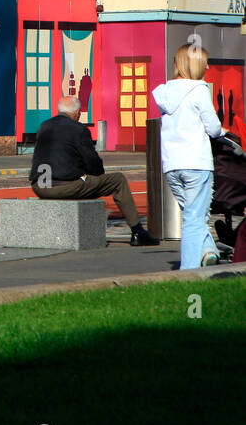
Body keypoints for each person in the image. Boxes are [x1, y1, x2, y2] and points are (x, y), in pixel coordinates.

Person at [29, 95, 159, 246]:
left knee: (83, 180)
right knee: (118, 180)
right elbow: (92, 161)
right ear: (77, 113)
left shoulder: (44, 126)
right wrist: (96, 176)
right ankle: (138, 231)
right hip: (65, 187)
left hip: (39, 187)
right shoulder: (78, 129)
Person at [153, 42, 224, 269]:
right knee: (194, 218)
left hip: (172, 164)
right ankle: (189, 271)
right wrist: (223, 133)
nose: (208, 67)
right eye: (205, 63)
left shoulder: (165, 92)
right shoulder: (199, 90)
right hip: (196, 161)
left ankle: (208, 251)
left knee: (192, 214)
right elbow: (212, 127)